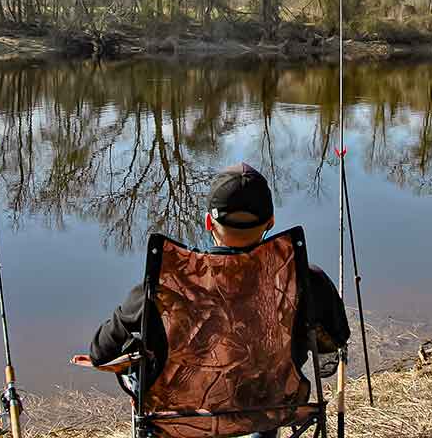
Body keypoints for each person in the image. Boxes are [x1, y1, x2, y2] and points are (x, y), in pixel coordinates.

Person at [89, 162, 350, 438]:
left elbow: (100, 352)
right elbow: (336, 339)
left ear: (208, 222)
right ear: (271, 222)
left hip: (181, 422)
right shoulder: (306, 281)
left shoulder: (165, 288)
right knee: (262, 391)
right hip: (268, 411)